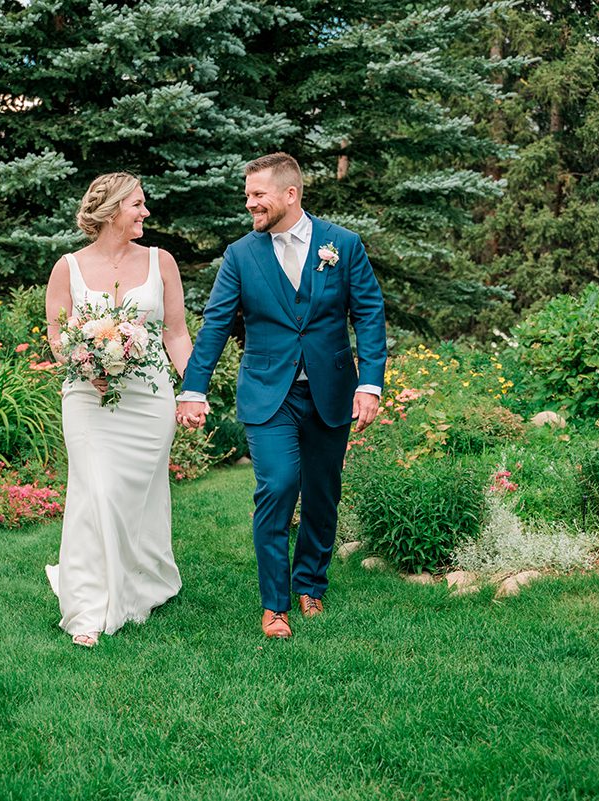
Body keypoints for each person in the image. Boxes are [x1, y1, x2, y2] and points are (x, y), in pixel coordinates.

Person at [177, 153, 387, 639]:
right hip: (268, 394)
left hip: (330, 390)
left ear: (290, 194)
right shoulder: (241, 255)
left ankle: (311, 582)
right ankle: (275, 605)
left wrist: (370, 384)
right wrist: (193, 388)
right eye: (248, 194)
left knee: (322, 492)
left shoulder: (344, 245)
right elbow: (215, 326)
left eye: (257, 195)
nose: (249, 203)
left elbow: (369, 314)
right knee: (277, 487)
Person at [44, 172, 194, 648]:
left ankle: (142, 580)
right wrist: (85, 365)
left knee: (139, 496)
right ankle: (89, 606)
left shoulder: (160, 261)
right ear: (110, 211)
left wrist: (193, 390)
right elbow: (56, 335)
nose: (145, 212)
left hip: (149, 399)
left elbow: (175, 333)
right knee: (96, 493)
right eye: (137, 205)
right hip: (87, 398)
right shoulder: (67, 267)